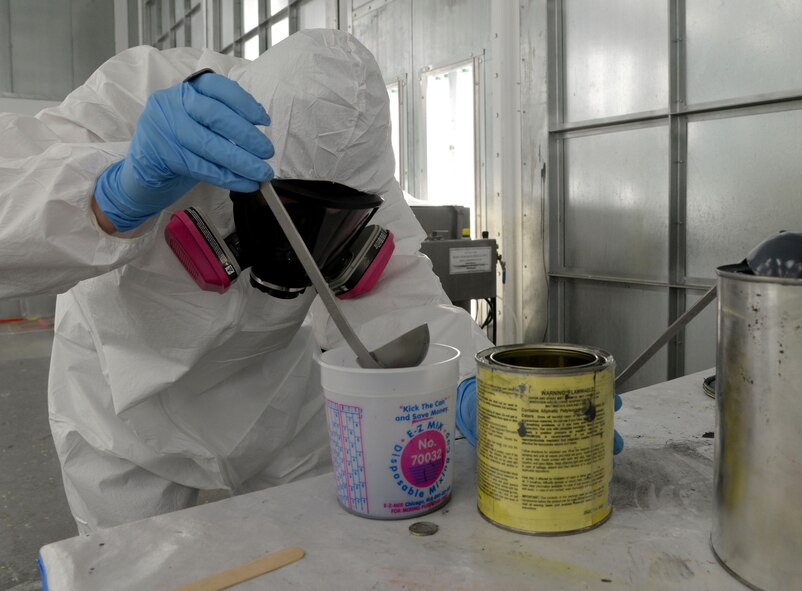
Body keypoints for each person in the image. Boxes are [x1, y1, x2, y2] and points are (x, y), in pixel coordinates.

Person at [0, 29, 492, 534]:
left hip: (272, 402)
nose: (301, 235)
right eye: (289, 204)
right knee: (127, 566)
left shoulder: (355, 164)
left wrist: (473, 384)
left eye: (328, 215)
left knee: (334, 550)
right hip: (118, 402)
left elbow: (403, 297)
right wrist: (111, 195)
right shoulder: (143, 94)